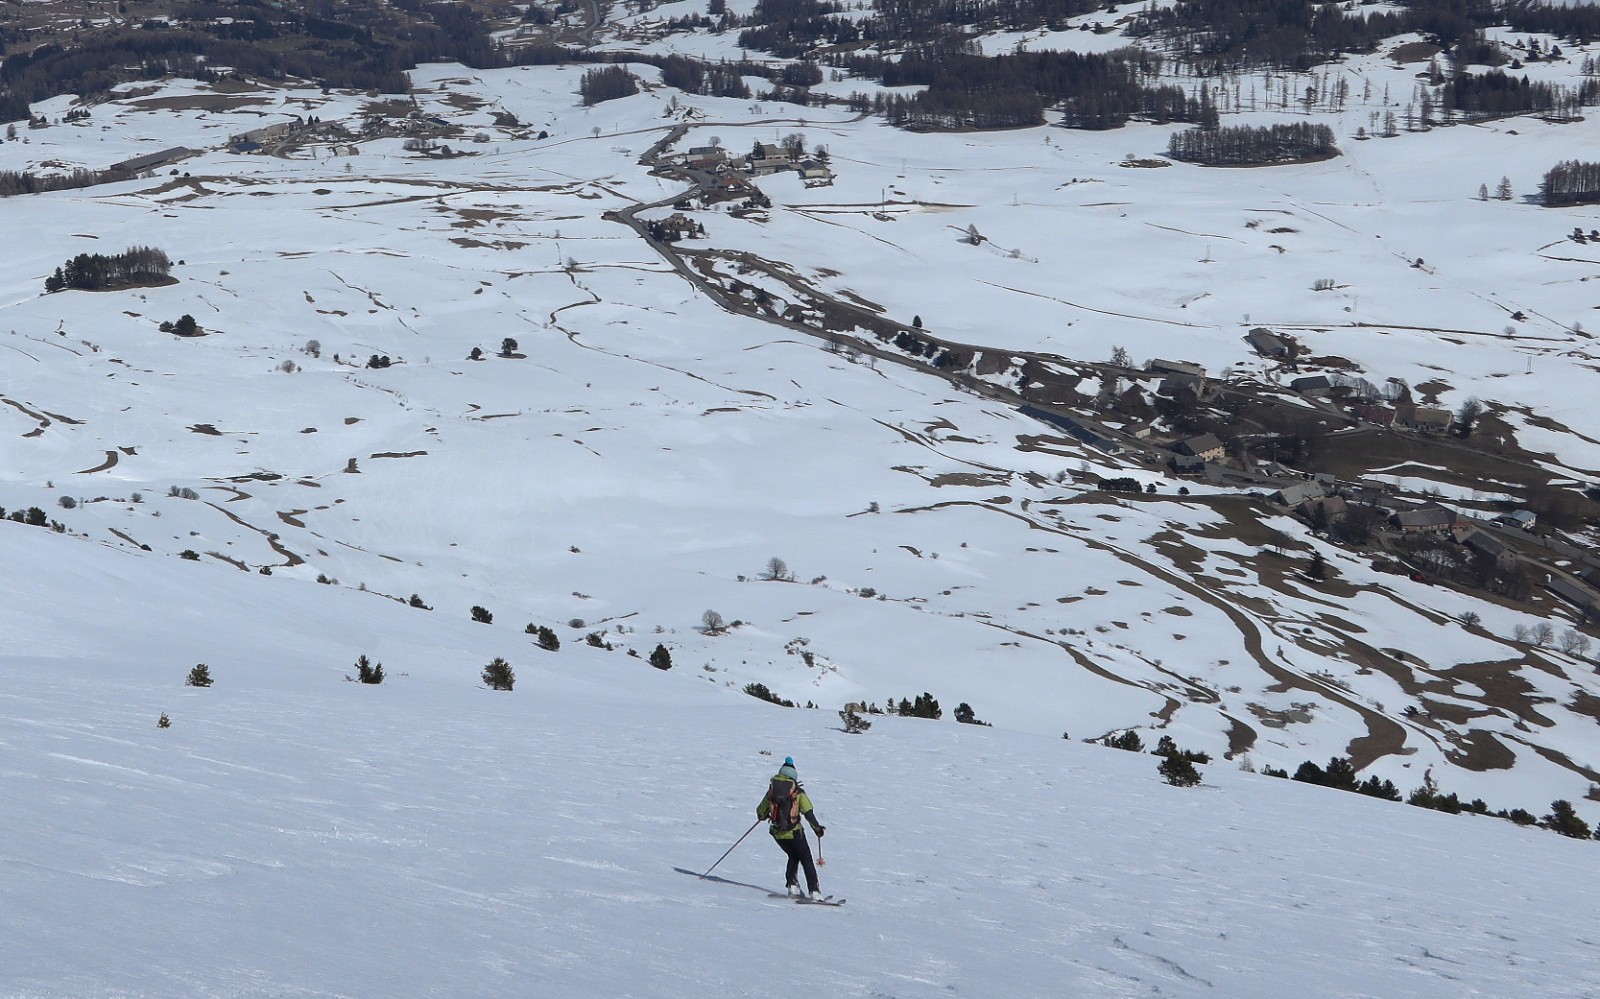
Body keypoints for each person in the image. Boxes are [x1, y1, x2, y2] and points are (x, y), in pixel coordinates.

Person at [756, 756, 826, 898]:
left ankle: (792, 886)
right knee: (806, 859)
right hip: (794, 832)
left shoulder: (772, 791)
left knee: (793, 856)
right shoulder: (797, 793)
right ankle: (814, 891)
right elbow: (808, 813)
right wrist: (817, 829)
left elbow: (760, 813)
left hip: (777, 833)